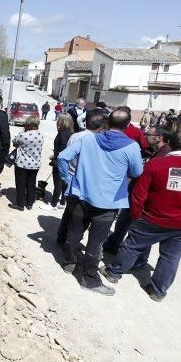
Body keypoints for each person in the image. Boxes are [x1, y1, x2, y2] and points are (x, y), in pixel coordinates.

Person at [100, 131, 181, 301]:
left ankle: (114, 273)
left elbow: (138, 194)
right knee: (171, 256)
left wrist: (136, 216)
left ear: (170, 143)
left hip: (153, 219)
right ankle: (158, 291)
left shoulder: (156, 164)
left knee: (132, 246)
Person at [57, 110, 143, 295]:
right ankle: (89, 279)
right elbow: (136, 172)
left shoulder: (87, 139)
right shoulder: (132, 146)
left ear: (107, 122)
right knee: (96, 242)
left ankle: (69, 263)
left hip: (81, 196)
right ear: (127, 126)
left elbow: (63, 157)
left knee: (74, 233)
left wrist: (68, 180)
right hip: (108, 202)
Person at [103, 126, 171, 255]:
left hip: (145, 197)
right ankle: (113, 245)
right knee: (123, 221)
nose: (144, 137)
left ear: (159, 138)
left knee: (140, 229)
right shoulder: (154, 151)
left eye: (148, 135)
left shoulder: (165, 155)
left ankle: (137, 258)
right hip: (136, 193)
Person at [55, 113, 106, 245]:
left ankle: (61, 238)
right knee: (77, 217)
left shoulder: (75, 135)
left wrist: (65, 177)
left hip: (70, 177)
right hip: (79, 180)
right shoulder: (92, 139)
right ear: (100, 128)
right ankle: (69, 244)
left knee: (69, 211)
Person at [9, 116, 44, 211]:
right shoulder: (41, 135)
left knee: (20, 184)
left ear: (28, 124)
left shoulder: (23, 135)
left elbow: (14, 142)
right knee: (31, 183)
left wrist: (22, 131)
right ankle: (29, 203)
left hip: (22, 163)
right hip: (35, 164)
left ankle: (20, 204)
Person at [48, 114, 74, 210]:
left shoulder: (62, 133)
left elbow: (62, 150)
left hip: (60, 161)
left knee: (58, 183)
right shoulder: (71, 133)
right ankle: (62, 202)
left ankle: (53, 205)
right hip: (68, 161)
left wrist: (54, 156)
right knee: (64, 182)